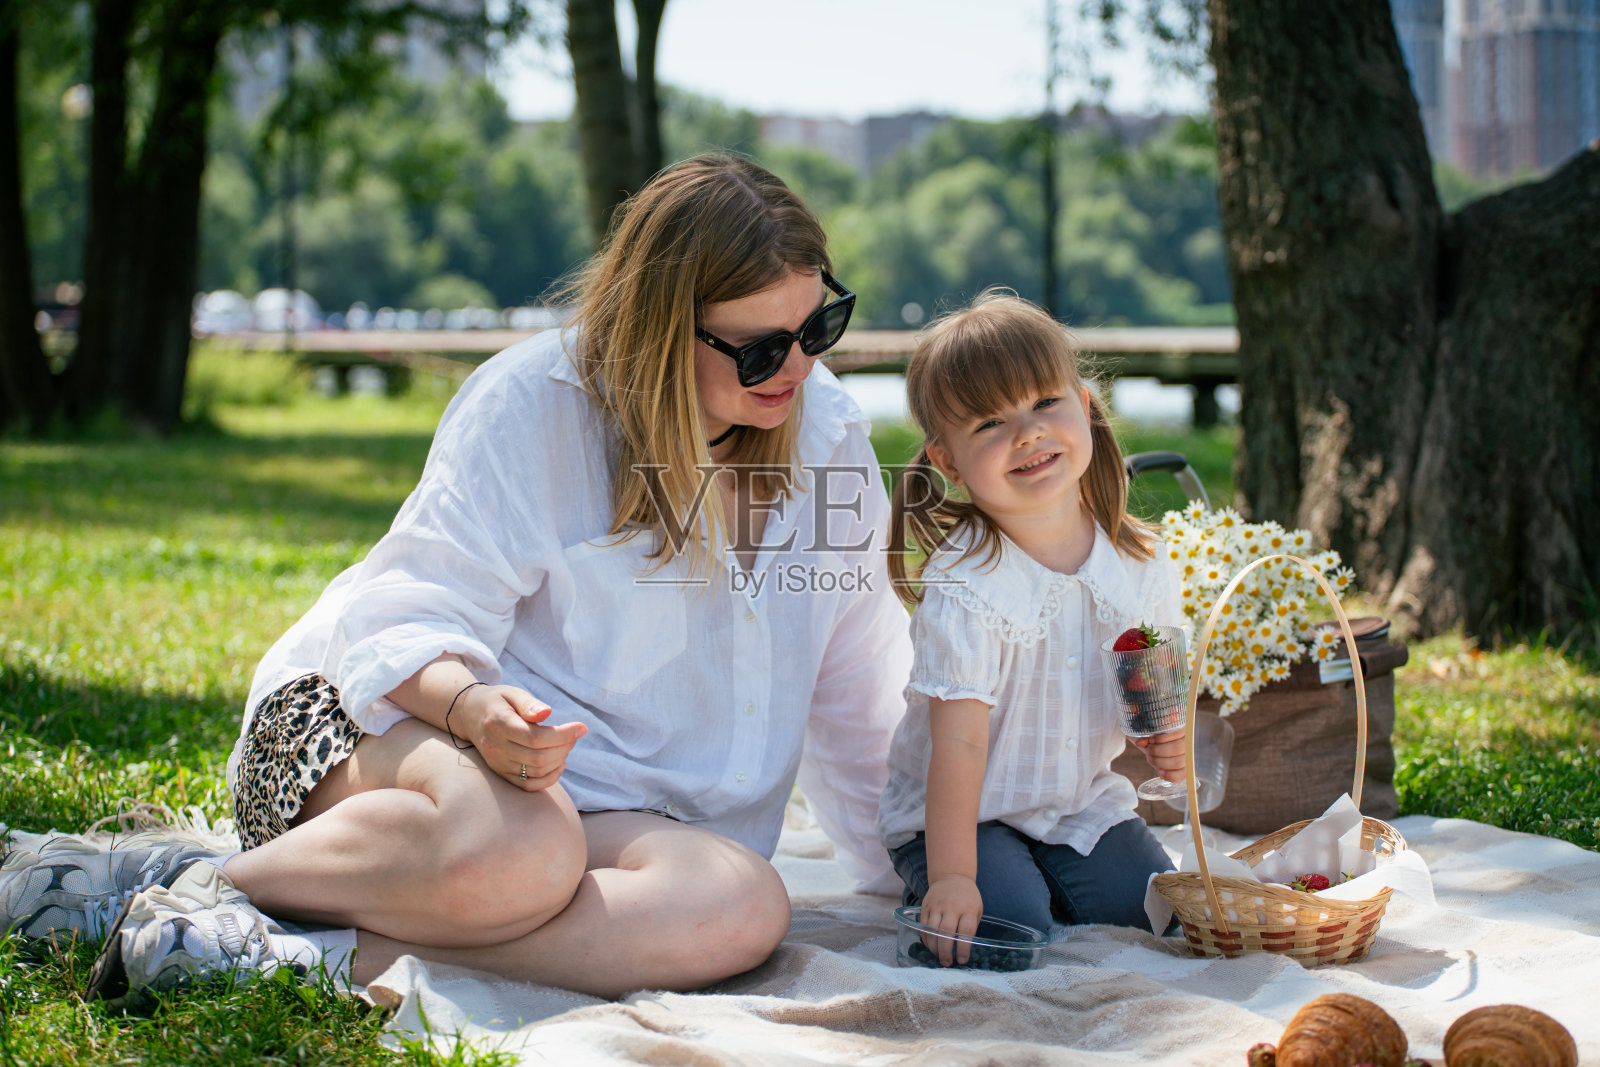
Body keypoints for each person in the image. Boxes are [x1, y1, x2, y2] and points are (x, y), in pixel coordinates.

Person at [1, 155, 913, 1003]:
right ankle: (167, 879)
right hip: (374, 723)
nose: (799, 367)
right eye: (760, 349)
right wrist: (475, 707)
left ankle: (273, 948)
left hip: (600, 807)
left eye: (818, 327)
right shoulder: (535, 406)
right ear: (660, 326)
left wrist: (927, 870)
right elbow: (403, 615)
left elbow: (859, 690)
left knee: (741, 903)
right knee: (520, 845)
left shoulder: (829, 439)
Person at [874, 291, 1183, 963]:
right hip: (963, 815)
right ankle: (958, 882)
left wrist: (1165, 733)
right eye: (989, 422)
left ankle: (1040, 873)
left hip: (1073, 803)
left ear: (1085, 406)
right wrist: (954, 875)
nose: (1028, 433)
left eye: (1046, 403)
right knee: (1009, 933)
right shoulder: (968, 584)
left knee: (1160, 909)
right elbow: (956, 749)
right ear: (949, 463)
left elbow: (1149, 676)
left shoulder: (1136, 560)